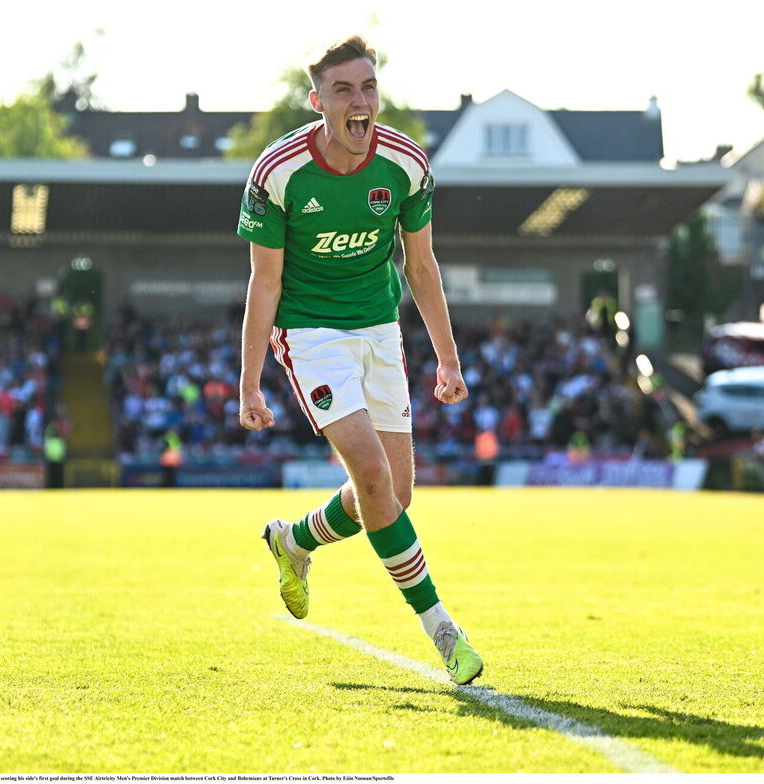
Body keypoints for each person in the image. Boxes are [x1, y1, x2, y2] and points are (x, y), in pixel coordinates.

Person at [236, 35, 483, 685]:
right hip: (310, 334)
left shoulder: (406, 164)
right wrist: (249, 383)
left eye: (368, 87)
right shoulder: (278, 172)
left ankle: (294, 541)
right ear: (317, 101)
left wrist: (449, 361)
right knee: (371, 474)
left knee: (394, 494)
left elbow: (421, 266)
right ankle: (443, 630)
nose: (360, 101)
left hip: (379, 329)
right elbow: (265, 281)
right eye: (343, 90)